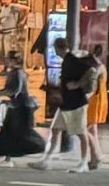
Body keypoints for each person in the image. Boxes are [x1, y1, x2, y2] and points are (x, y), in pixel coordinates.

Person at [43, 42, 100, 170]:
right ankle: (46, 160)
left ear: (59, 48)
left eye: (55, 49)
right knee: (55, 129)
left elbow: (92, 70)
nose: (55, 52)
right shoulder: (66, 61)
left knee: (81, 133)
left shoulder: (72, 60)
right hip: (66, 103)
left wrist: (78, 84)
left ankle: (84, 162)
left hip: (76, 103)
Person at [0, 67, 46, 162]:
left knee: (23, 132)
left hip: (21, 106)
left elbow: (14, 91)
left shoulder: (18, 73)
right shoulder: (14, 72)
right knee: (9, 132)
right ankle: (6, 157)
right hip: (16, 105)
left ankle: (42, 146)